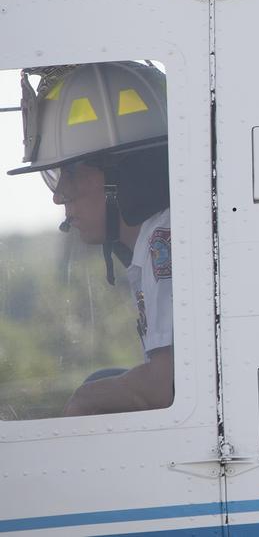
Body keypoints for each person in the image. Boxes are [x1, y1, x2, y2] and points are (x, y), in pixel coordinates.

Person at [8, 62, 173, 416]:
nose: (59, 195)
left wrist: (83, 403)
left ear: (121, 175)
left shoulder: (164, 244)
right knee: (102, 379)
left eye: (70, 172)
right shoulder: (150, 246)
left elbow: (164, 387)